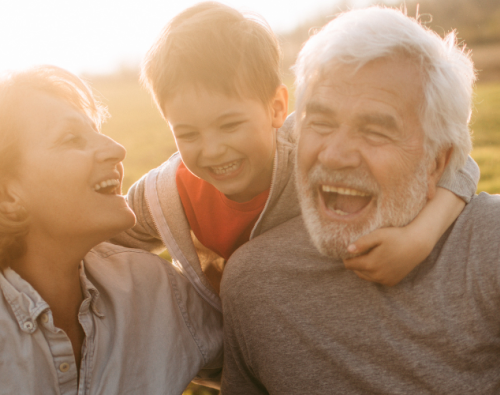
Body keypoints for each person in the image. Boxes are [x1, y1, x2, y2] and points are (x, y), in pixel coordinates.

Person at [112, 2, 479, 320]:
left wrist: (420, 237)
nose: (211, 150)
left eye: (229, 125)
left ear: (276, 108)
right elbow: (105, 235)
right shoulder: (165, 192)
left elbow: (457, 164)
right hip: (220, 347)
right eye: (188, 134)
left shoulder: (310, 151)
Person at [220, 7, 500, 394]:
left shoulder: (489, 247)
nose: (334, 155)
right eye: (320, 123)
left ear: (437, 163)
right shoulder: (253, 285)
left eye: (375, 131)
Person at [0, 66, 222, 394]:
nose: (116, 150)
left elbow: (264, 359)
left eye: (97, 132)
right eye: (71, 139)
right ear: (8, 196)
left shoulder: (153, 290)